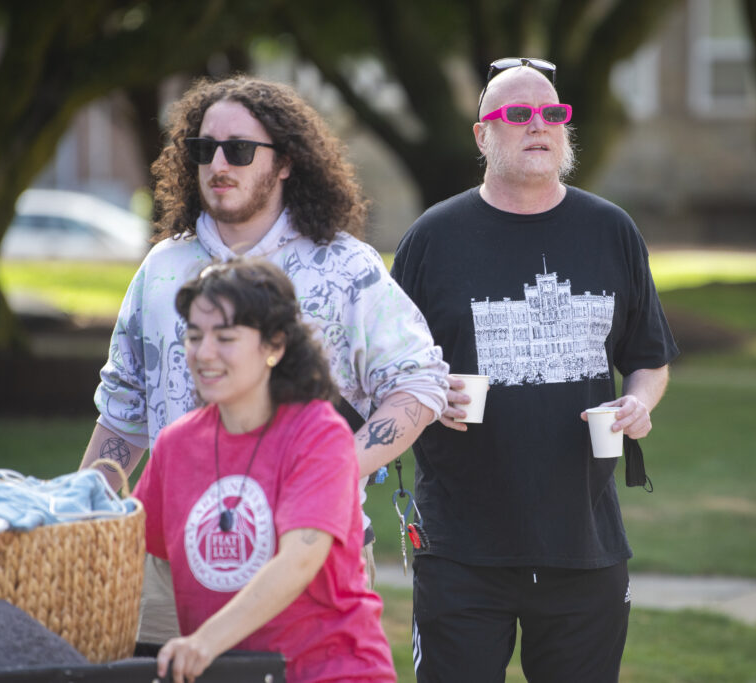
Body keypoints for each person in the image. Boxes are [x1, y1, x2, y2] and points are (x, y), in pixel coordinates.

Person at [80, 76, 448, 641]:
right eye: (204, 149)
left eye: (239, 150)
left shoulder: (345, 267)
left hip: (307, 547)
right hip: (170, 561)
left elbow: (419, 383)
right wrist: (77, 514)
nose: (217, 164)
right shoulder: (162, 270)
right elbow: (124, 410)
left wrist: (330, 469)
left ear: (285, 162)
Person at [391, 58, 680, 682]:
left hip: (584, 540)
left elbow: (648, 359)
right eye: (518, 113)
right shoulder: (433, 238)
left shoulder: (611, 230)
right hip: (461, 545)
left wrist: (639, 403)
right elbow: (385, 367)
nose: (538, 125)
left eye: (552, 113)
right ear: (483, 134)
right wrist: (430, 396)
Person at [133, 257, 395, 683]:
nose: (204, 353)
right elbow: (131, 553)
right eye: (194, 336)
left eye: (225, 337)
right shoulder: (174, 445)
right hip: (223, 674)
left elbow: (300, 560)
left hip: (329, 672)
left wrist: (204, 642)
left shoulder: (319, 434)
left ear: (274, 346)